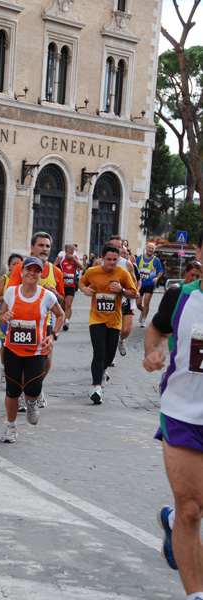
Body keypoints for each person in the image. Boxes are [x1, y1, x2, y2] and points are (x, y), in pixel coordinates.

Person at [143, 230, 203, 600]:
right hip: (183, 415)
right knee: (192, 510)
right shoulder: (180, 297)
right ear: (199, 252)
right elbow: (155, 332)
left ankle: (169, 522)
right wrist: (152, 353)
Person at [0, 256, 64, 443]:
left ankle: (32, 402)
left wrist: (53, 335)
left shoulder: (47, 296)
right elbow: (2, 316)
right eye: (29, 270)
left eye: (36, 271)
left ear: (40, 275)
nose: (32, 273)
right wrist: (5, 316)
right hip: (13, 349)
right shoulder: (11, 292)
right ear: (22, 271)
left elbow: (61, 315)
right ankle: (11, 426)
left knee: (33, 389)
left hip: (36, 351)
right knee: (12, 391)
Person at [7, 231, 64, 408]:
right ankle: (26, 392)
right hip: (19, 321)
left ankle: (34, 388)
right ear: (32, 248)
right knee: (21, 361)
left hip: (44, 322)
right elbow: (10, 294)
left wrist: (55, 295)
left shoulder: (56, 272)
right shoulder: (21, 268)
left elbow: (62, 301)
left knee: (46, 360)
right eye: (40, 245)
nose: (44, 249)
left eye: (47, 246)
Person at [78, 243, 137, 404]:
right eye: (109, 259)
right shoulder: (92, 272)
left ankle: (102, 372)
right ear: (102, 258)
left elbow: (134, 294)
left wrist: (121, 291)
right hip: (96, 318)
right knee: (99, 351)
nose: (112, 263)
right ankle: (97, 388)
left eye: (115, 259)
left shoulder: (123, 273)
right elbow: (81, 282)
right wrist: (84, 290)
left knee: (109, 355)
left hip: (115, 320)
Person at [0, 253, 23, 384]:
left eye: (19, 263)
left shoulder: (26, 280)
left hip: (21, 316)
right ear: (9, 266)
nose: (16, 266)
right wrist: (10, 296)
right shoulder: (4, 279)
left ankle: (17, 371)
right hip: (5, 315)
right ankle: (3, 367)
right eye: (14, 264)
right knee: (4, 344)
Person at [54, 244, 83, 331]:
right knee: (62, 304)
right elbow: (52, 268)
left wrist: (74, 260)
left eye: (72, 253)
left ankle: (67, 322)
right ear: (66, 252)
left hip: (71, 284)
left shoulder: (75, 259)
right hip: (62, 285)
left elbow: (81, 267)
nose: (71, 255)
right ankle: (62, 318)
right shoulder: (60, 259)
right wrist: (60, 273)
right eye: (69, 253)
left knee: (68, 304)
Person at [136, 242, 163, 327]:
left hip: (150, 283)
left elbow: (160, 271)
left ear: (154, 250)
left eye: (152, 248)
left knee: (146, 301)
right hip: (140, 283)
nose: (150, 249)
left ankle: (143, 319)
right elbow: (134, 269)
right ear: (146, 248)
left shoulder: (156, 260)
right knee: (138, 303)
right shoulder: (140, 258)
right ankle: (143, 311)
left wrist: (157, 278)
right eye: (149, 248)